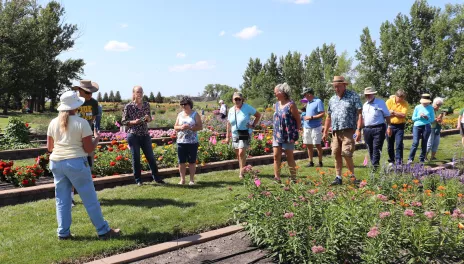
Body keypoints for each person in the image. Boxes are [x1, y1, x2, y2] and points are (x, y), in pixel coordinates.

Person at [47, 91, 120, 240]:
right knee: (89, 198)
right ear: (76, 106)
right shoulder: (81, 123)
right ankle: (103, 230)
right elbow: (88, 149)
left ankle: (63, 233)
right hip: (76, 162)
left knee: (62, 199)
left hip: (56, 163)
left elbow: (49, 147)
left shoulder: (53, 122)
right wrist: (97, 138)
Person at [322, 76, 363, 185]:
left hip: (349, 130)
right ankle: (338, 177)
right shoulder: (332, 99)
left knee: (346, 153)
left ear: (344, 85)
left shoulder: (353, 96)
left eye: (338, 86)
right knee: (336, 153)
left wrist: (358, 130)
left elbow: (359, 114)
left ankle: (352, 177)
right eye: (335, 87)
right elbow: (328, 117)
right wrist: (325, 131)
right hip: (335, 131)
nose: (336, 89)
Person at [122, 86, 165, 186]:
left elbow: (149, 119)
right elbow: (123, 121)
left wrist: (147, 118)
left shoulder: (146, 104)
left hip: (145, 134)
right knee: (136, 158)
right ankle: (138, 180)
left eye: (141, 92)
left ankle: (157, 178)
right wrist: (133, 122)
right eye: (137, 92)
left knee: (150, 157)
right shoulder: (128, 106)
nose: (139, 94)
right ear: (133, 93)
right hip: (133, 135)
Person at [71, 80, 100, 206]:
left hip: (87, 139)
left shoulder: (93, 103)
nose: (90, 95)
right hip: (74, 140)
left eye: (92, 92)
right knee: (73, 169)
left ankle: (88, 196)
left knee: (87, 167)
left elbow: (92, 120)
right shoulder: (73, 103)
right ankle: (71, 197)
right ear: (80, 91)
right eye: (87, 92)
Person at [226, 92, 261, 179]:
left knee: (242, 152)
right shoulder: (231, 110)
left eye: (239, 99)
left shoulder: (247, 107)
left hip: (244, 132)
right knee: (238, 154)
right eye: (235, 99)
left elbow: (258, 115)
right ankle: (243, 168)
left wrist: (252, 125)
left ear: (242, 100)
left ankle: (241, 173)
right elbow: (228, 123)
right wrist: (227, 136)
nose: (237, 101)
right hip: (235, 133)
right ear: (233, 100)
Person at [273, 83, 301, 182]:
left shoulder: (291, 104)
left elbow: (298, 119)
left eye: (276, 92)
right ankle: (277, 177)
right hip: (277, 134)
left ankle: (293, 178)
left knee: (289, 157)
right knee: (276, 156)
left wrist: (297, 131)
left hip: (288, 135)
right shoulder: (276, 105)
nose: (275, 94)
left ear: (282, 93)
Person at [359, 87, 391, 170]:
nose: (368, 96)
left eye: (369, 94)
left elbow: (387, 115)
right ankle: (374, 164)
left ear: (373, 94)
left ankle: (375, 166)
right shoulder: (365, 105)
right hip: (367, 129)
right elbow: (363, 118)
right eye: (366, 95)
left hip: (378, 128)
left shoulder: (380, 103)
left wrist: (389, 126)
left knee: (376, 148)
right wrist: (360, 129)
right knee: (370, 148)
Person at [174, 96, 203, 185]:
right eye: (181, 104)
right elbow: (175, 127)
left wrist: (190, 128)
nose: (183, 106)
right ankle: (182, 179)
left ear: (189, 104)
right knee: (181, 161)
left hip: (192, 142)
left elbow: (200, 127)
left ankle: (191, 179)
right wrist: (181, 127)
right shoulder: (180, 115)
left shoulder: (195, 114)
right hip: (181, 141)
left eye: (185, 104)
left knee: (192, 161)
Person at [408, 94, 435, 164]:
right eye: (423, 102)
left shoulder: (431, 108)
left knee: (424, 143)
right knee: (415, 142)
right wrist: (419, 117)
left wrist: (427, 117)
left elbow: (432, 120)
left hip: (426, 126)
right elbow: (413, 118)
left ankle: (421, 159)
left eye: (426, 102)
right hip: (417, 126)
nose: (425, 103)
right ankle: (410, 158)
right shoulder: (417, 107)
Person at [301, 87, 325, 168]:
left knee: (317, 144)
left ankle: (320, 162)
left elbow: (322, 114)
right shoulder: (308, 103)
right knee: (309, 145)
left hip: (316, 127)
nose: (304, 96)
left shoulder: (318, 101)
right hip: (307, 127)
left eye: (305, 94)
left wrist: (311, 117)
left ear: (309, 94)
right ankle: (311, 162)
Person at [385, 90, 409, 165]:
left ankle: (399, 161)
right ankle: (391, 160)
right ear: (396, 96)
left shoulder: (405, 103)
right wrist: (396, 113)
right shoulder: (389, 102)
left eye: (403, 98)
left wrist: (393, 112)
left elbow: (403, 115)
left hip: (400, 126)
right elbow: (386, 114)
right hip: (390, 125)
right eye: (400, 98)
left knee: (399, 144)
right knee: (390, 144)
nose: (402, 100)